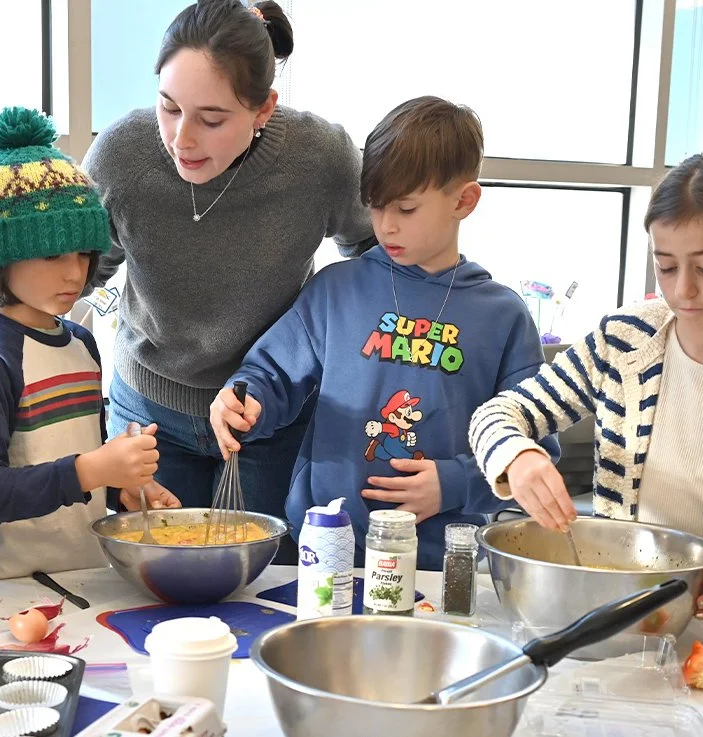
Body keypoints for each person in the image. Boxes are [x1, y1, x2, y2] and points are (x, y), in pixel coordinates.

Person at [0, 1, 376, 562]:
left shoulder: (321, 158)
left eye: (213, 118)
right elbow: (77, 268)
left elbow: (371, 254)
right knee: (152, 586)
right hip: (149, 413)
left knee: (258, 584)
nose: (182, 138)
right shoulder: (123, 153)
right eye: (169, 107)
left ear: (264, 109)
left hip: (264, 419)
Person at [209, 96, 557, 568]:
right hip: (325, 547)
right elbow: (270, 375)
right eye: (375, 207)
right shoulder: (338, 289)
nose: (386, 226)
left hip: (438, 561)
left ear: (464, 200)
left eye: (406, 209)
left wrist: (455, 483)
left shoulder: (503, 316)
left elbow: (537, 447)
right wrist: (243, 401)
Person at [469, 146, 703, 641]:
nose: (682, 291)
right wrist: (518, 457)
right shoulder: (626, 342)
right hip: (624, 632)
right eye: (666, 266)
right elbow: (499, 414)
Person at [0, 107, 180, 581]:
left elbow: (77, 462)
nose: (75, 273)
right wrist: (93, 470)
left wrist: (122, 489)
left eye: (84, 254)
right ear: (0, 254)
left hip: (86, 574)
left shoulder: (81, 343)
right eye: (53, 253)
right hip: (7, 586)